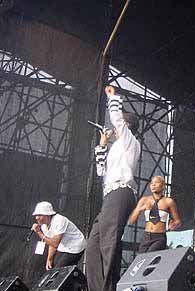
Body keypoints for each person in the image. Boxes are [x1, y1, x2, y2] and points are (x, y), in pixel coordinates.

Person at [86, 86, 141, 291]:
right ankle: (100, 287)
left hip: (121, 193)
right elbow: (101, 171)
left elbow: (117, 118)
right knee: (94, 245)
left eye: (120, 125)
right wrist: (102, 143)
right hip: (110, 195)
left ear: (127, 126)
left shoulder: (131, 142)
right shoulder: (117, 147)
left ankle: (108, 288)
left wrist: (113, 98)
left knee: (109, 243)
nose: (115, 127)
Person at [129, 175, 181, 253]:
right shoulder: (144, 200)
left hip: (159, 237)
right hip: (146, 236)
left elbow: (178, 221)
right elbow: (131, 221)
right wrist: (140, 209)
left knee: (151, 256)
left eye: (156, 182)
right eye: (152, 183)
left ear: (163, 186)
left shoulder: (169, 201)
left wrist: (171, 227)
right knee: (141, 259)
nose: (153, 185)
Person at [31, 201, 86, 270]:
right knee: (53, 268)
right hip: (63, 246)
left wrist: (39, 232)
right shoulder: (44, 226)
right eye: (36, 215)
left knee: (59, 271)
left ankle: (83, 280)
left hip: (75, 246)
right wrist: (49, 259)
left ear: (48, 215)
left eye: (40, 215)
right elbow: (51, 244)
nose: (37, 218)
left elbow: (55, 243)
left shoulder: (60, 220)